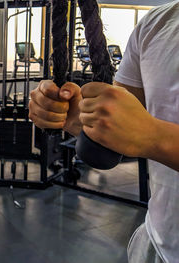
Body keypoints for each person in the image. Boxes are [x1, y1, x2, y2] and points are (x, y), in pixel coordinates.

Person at [29, 1, 179, 262]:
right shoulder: (157, 23)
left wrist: (155, 138)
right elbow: (124, 123)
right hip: (158, 241)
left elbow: (148, 133)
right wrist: (78, 116)